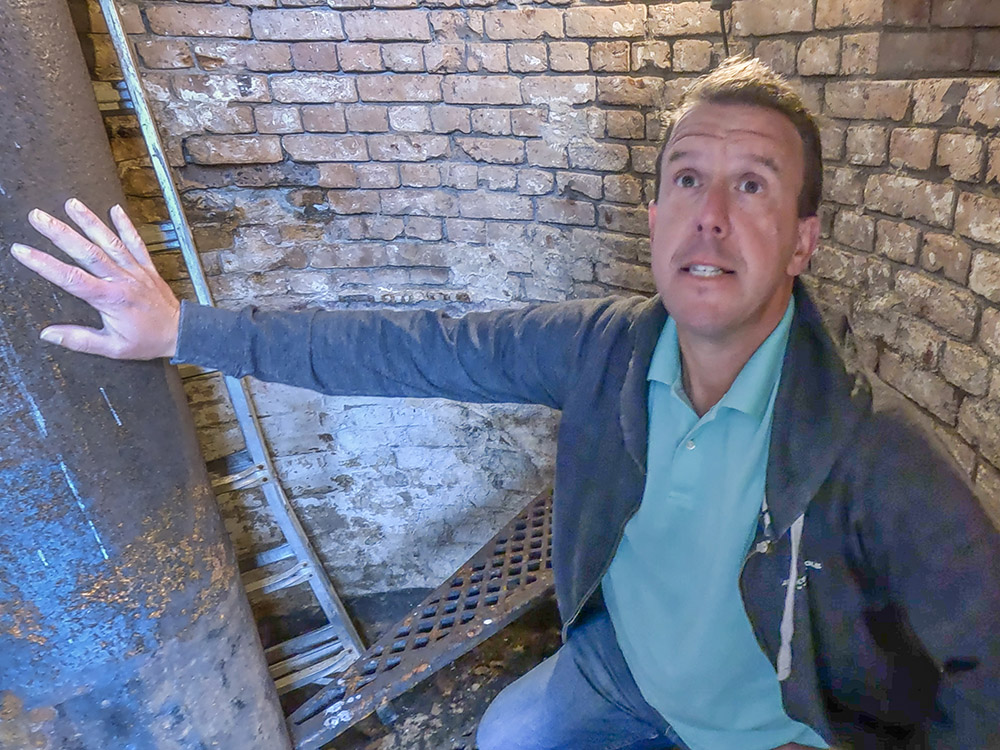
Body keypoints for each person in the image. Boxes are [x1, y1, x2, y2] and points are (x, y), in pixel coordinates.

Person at [11, 57, 1000, 750]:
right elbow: (413, 346)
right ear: (655, 218)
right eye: (688, 179)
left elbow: (987, 666)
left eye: (752, 186)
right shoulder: (602, 351)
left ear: (801, 240)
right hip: (626, 671)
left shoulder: (875, 453)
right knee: (507, 734)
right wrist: (183, 331)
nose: (710, 216)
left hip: (778, 717)